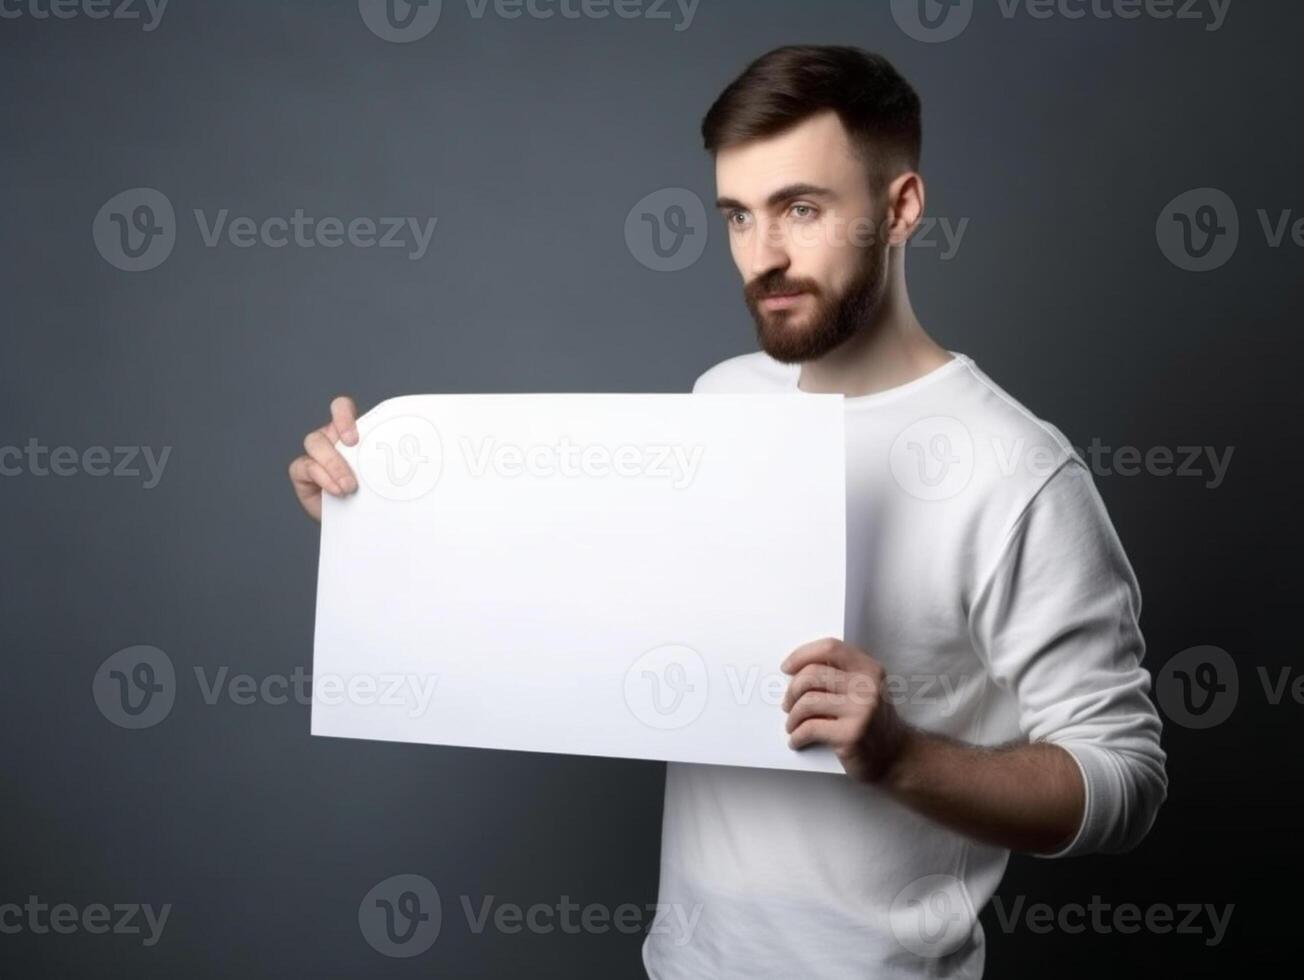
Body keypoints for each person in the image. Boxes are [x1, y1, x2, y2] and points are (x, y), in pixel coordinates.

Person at [287, 44, 1167, 980]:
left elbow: (1126, 779)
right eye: (738, 217)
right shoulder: (726, 401)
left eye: (801, 208)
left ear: (901, 208)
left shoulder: (1018, 472)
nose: (765, 256)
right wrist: (374, 519)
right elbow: (582, 609)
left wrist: (899, 753)